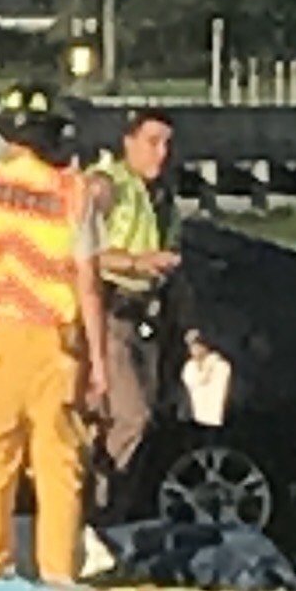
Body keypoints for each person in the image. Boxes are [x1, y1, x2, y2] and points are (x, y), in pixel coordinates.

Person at [0, 84, 107, 584]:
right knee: (58, 464)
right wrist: (98, 362)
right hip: (52, 343)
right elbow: (90, 285)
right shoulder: (72, 194)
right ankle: (58, 572)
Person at [88, 108, 182, 490]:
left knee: (135, 418)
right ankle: (98, 505)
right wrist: (135, 262)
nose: (161, 153)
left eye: (168, 144)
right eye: (152, 142)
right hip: (109, 311)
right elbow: (76, 254)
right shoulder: (111, 185)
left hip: (145, 318)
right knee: (130, 417)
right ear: (128, 143)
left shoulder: (162, 198)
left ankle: (113, 502)